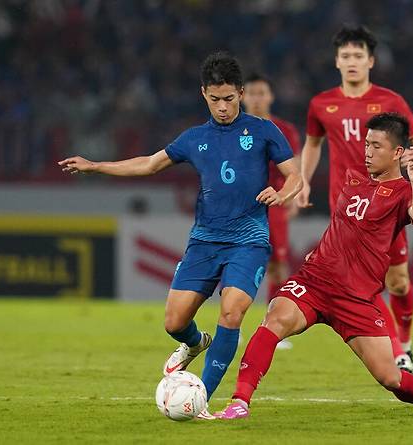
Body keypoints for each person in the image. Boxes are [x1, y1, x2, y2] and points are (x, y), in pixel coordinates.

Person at [58, 52, 302, 418]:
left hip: (249, 239)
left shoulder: (264, 131)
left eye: (229, 99)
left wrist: (282, 194)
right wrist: (96, 165)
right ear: (204, 93)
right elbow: (149, 164)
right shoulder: (194, 138)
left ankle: (203, 399)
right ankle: (195, 342)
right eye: (215, 99)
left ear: (240, 93)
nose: (222, 107)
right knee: (174, 323)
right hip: (204, 240)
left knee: (232, 312)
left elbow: (295, 175)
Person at [215, 113, 413, 419]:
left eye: (376, 146)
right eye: (367, 144)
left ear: (397, 153)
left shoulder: (403, 193)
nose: (367, 152)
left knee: (390, 377)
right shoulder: (353, 175)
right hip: (315, 281)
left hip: (356, 298)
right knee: (274, 319)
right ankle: (239, 402)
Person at [296, 25, 413, 376]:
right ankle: (393, 355)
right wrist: (303, 181)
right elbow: (313, 145)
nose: (352, 61)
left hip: (387, 205)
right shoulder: (321, 105)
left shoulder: (391, 102)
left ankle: (404, 345)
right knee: (363, 283)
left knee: (398, 281)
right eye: (346, 56)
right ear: (336, 62)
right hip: (347, 209)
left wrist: (408, 165)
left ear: (371, 61)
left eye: (359, 55)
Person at [242, 72, 302, 350]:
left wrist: (293, 196)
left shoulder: (284, 129)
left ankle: (271, 326)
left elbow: (296, 167)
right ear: (242, 97)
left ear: (270, 97)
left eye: (261, 93)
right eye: (251, 93)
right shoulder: (234, 128)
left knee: (277, 266)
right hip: (242, 203)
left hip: (275, 203)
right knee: (240, 263)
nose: (256, 99)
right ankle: (235, 325)